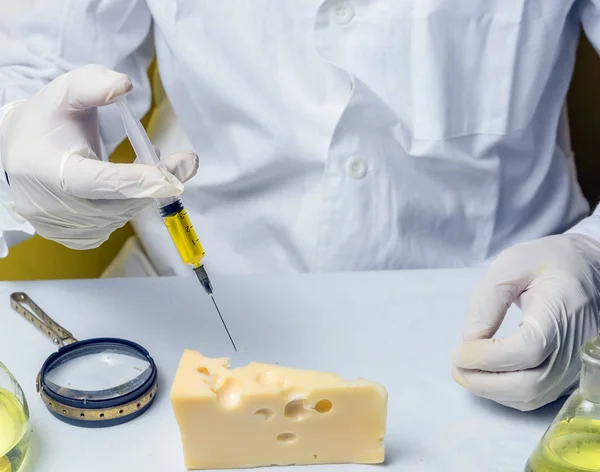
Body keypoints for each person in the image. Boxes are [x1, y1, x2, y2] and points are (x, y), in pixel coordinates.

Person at [1, 1, 600, 412]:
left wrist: (593, 258)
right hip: (183, 308)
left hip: (509, 320)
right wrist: (24, 137)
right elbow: (38, 59)